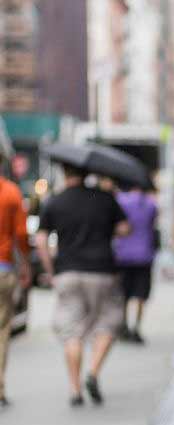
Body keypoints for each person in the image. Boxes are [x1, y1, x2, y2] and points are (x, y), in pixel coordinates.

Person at [36, 164, 131, 406]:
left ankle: (75, 389)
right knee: (110, 322)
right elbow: (124, 228)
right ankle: (93, 372)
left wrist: (51, 271)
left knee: (72, 332)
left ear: (65, 174)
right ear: (86, 172)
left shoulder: (54, 201)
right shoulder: (104, 198)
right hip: (102, 271)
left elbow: (40, 239)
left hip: (68, 272)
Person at [0, 161, 31, 407]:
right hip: (3, 269)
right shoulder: (10, 192)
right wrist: (26, 266)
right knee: (2, 330)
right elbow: (21, 234)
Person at [113, 185, 158, 343]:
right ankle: (136, 328)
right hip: (144, 255)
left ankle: (123, 326)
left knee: (124, 294)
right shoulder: (151, 204)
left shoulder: (120, 201)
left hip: (123, 255)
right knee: (140, 294)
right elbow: (152, 225)